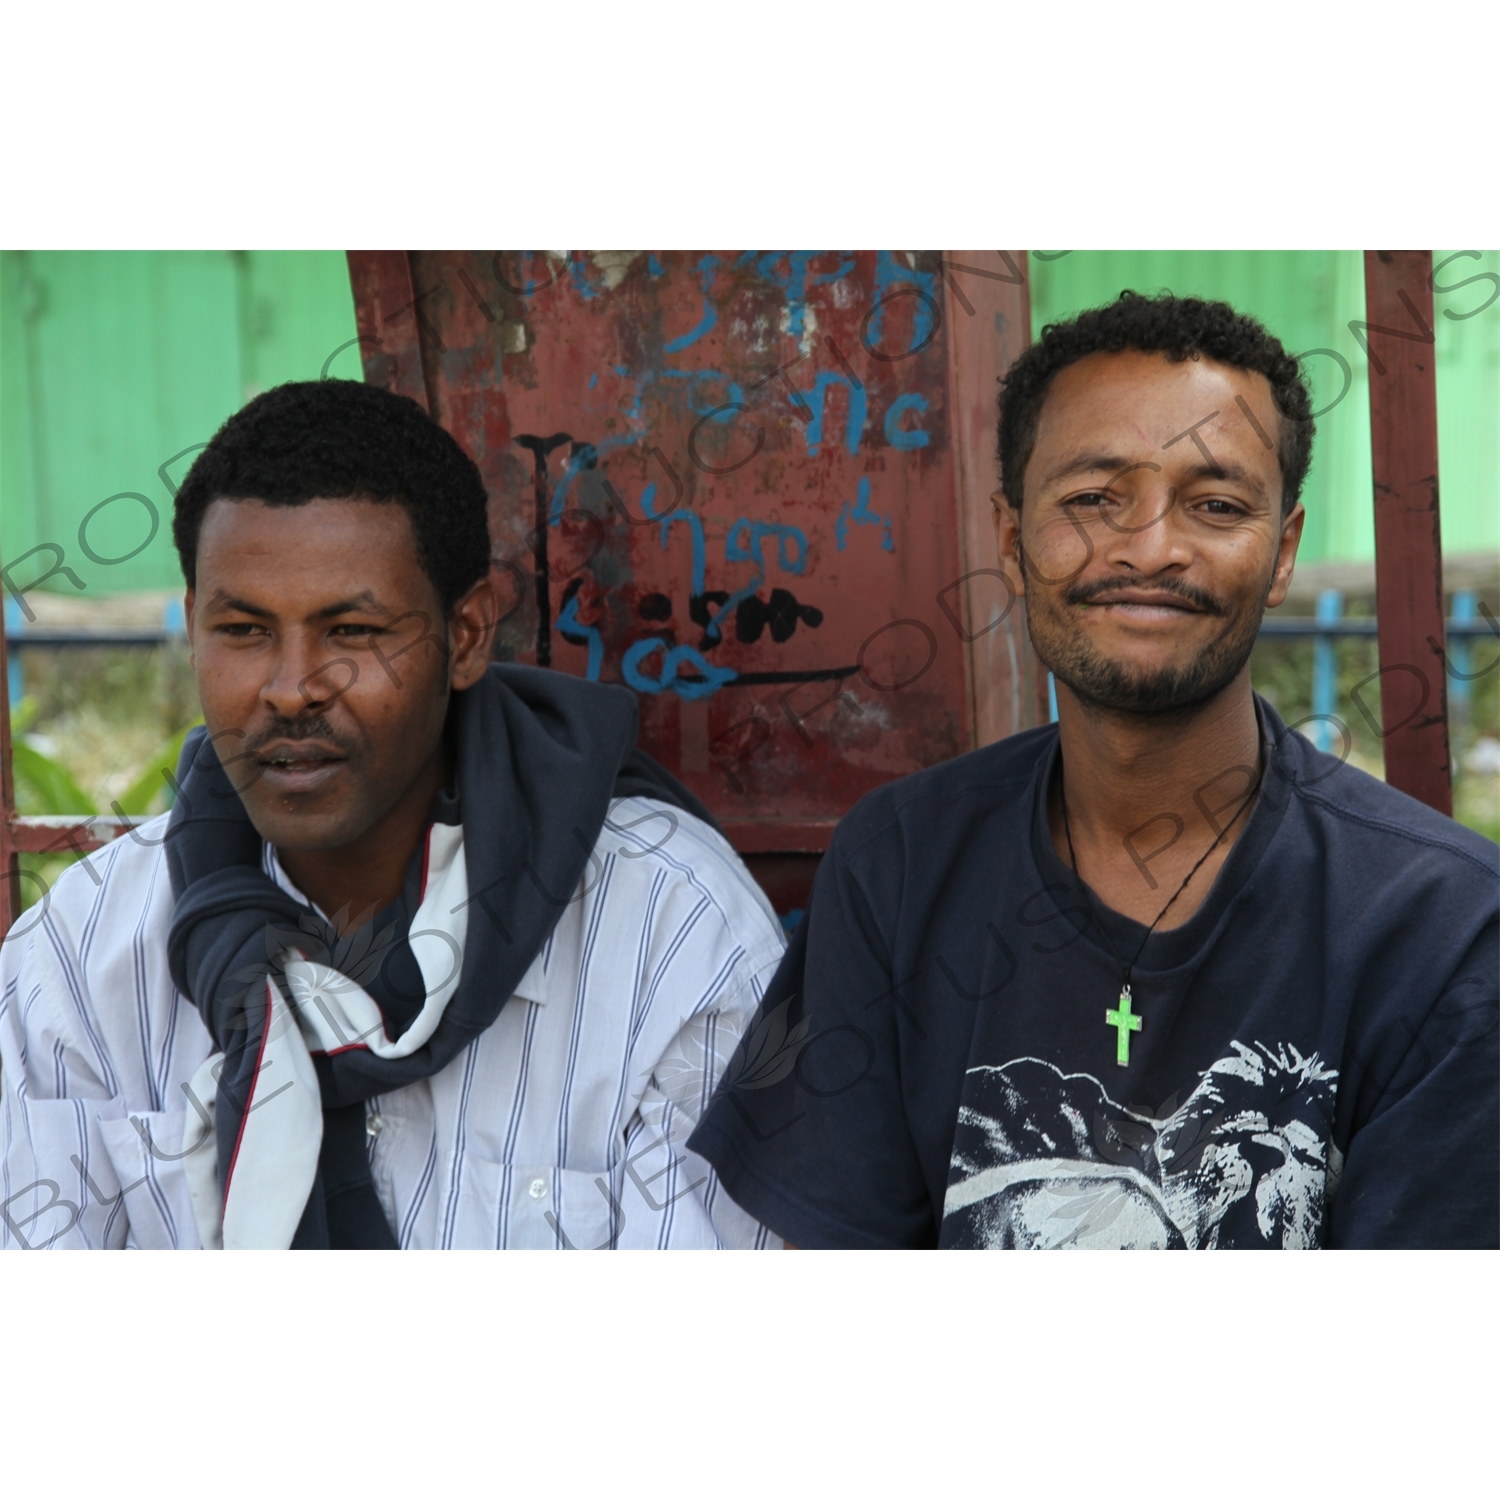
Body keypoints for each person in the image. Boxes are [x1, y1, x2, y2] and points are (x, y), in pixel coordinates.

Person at [689, 291, 1499, 1250]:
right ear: (1010, 537)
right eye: (1092, 499)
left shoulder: (1441, 922)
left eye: (1217, 505)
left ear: (1280, 554)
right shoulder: (904, 859)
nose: (1150, 547)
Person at [1, 379, 786, 1250]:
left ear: (468, 635)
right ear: (193, 628)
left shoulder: (670, 940)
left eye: (354, 631)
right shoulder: (76, 963)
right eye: (245, 631)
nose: (292, 687)